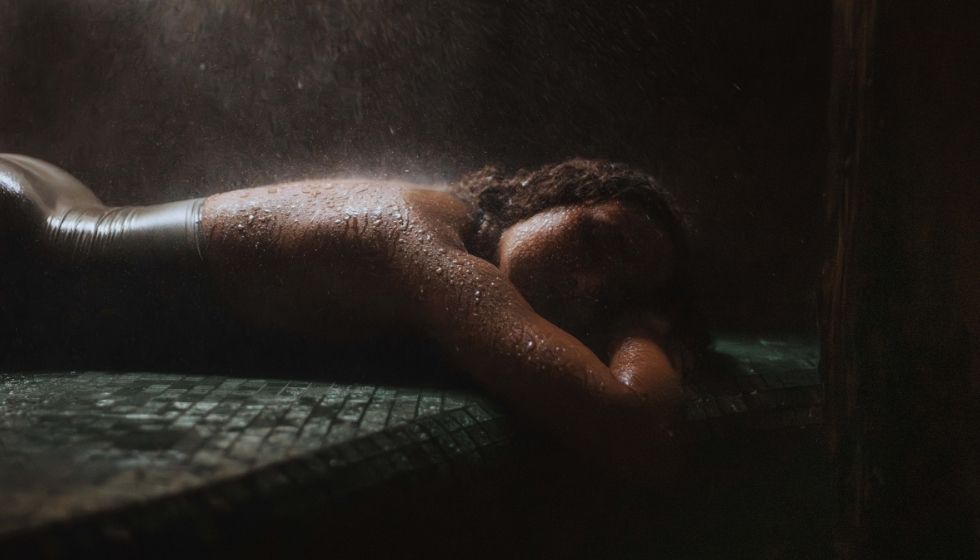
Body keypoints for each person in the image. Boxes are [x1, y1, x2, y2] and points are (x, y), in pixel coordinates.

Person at [0, 153, 706, 483]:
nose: (587, 283)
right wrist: (643, 331)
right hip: (24, 246)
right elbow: (635, 429)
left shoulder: (456, 247)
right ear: (545, 198)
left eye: (614, 294)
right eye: (594, 239)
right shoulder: (424, 243)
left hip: (60, 213)